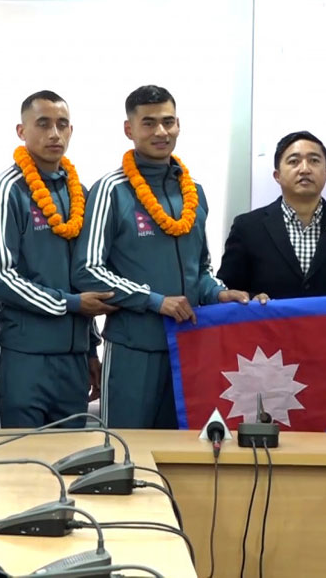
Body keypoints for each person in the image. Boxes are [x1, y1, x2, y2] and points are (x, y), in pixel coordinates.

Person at [73, 85, 249, 429]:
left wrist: (218, 293)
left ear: (179, 124)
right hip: (133, 348)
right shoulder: (111, 190)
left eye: (168, 122)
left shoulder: (194, 191)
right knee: (127, 447)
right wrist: (155, 301)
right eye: (149, 123)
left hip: (189, 345)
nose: (161, 132)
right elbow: (88, 270)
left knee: (184, 450)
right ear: (129, 130)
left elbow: (201, 267)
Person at [0, 90, 113, 428]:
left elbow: (84, 277)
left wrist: (90, 350)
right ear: (21, 131)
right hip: (24, 356)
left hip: (73, 359)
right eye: (43, 124)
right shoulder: (7, 191)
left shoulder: (80, 193)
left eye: (62, 124)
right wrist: (71, 304)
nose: (54, 134)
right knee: (20, 455)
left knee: (70, 455)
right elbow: (1, 278)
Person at [218, 130, 326, 301]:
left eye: (314, 161)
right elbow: (228, 292)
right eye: (294, 161)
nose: (305, 169)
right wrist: (253, 299)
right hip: (267, 319)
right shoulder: (247, 227)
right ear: (277, 175)